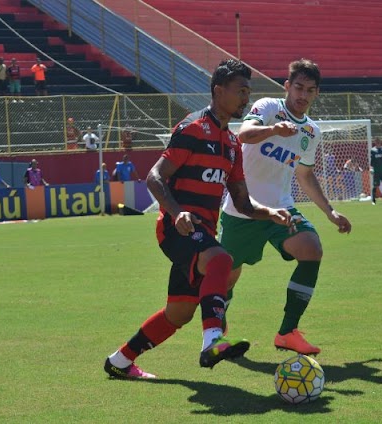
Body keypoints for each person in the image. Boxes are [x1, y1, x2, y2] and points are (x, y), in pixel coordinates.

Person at [104, 58, 294, 380]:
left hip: (201, 232)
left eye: (248, 92)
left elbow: (243, 203)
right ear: (219, 91)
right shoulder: (192, 128)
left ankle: (120, 360)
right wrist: (177, 212)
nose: (245, 99)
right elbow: (154, 177)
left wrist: (268, 213)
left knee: (178, 313)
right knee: (221, 260)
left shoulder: (232, 145)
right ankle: (212, 342)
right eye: (241, 91)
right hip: (175, 227)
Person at [219, 59, 352, 356]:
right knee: (227, 275)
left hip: (281, 209)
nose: (303, 95)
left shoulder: (311, 132)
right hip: (243, 208)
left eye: (310, 90)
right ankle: (219, 314)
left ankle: (287, 332)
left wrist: (330, 212)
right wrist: (274, 130)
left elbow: (305, 175)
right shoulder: (268, 107)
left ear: (317, 94)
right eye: (299, 88)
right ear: (287, 86)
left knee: (311, 249)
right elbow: (243, 134)